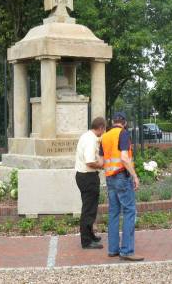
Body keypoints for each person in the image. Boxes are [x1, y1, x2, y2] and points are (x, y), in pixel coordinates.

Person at [99, 112, 144, 261]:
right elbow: (124, 158)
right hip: (121, 176)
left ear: (112, 122)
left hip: (110, 177)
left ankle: (113, 249)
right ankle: (127, 251)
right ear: (124, 123)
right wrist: (135, 176)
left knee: (113, 213)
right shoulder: (123, 134)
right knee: (130, 211)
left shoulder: (104, 136)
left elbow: (101, 162)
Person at [75, 117, 106, 249]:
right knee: (89, 210)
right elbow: (89, 161)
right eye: (104, 129)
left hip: (82, 176)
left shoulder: (86, 136)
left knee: (89, 208)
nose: (104, 132)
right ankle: (86, 241)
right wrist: (101, 165)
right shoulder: (91, 140)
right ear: (100, 128)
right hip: (88, 177)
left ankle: (90, 235)